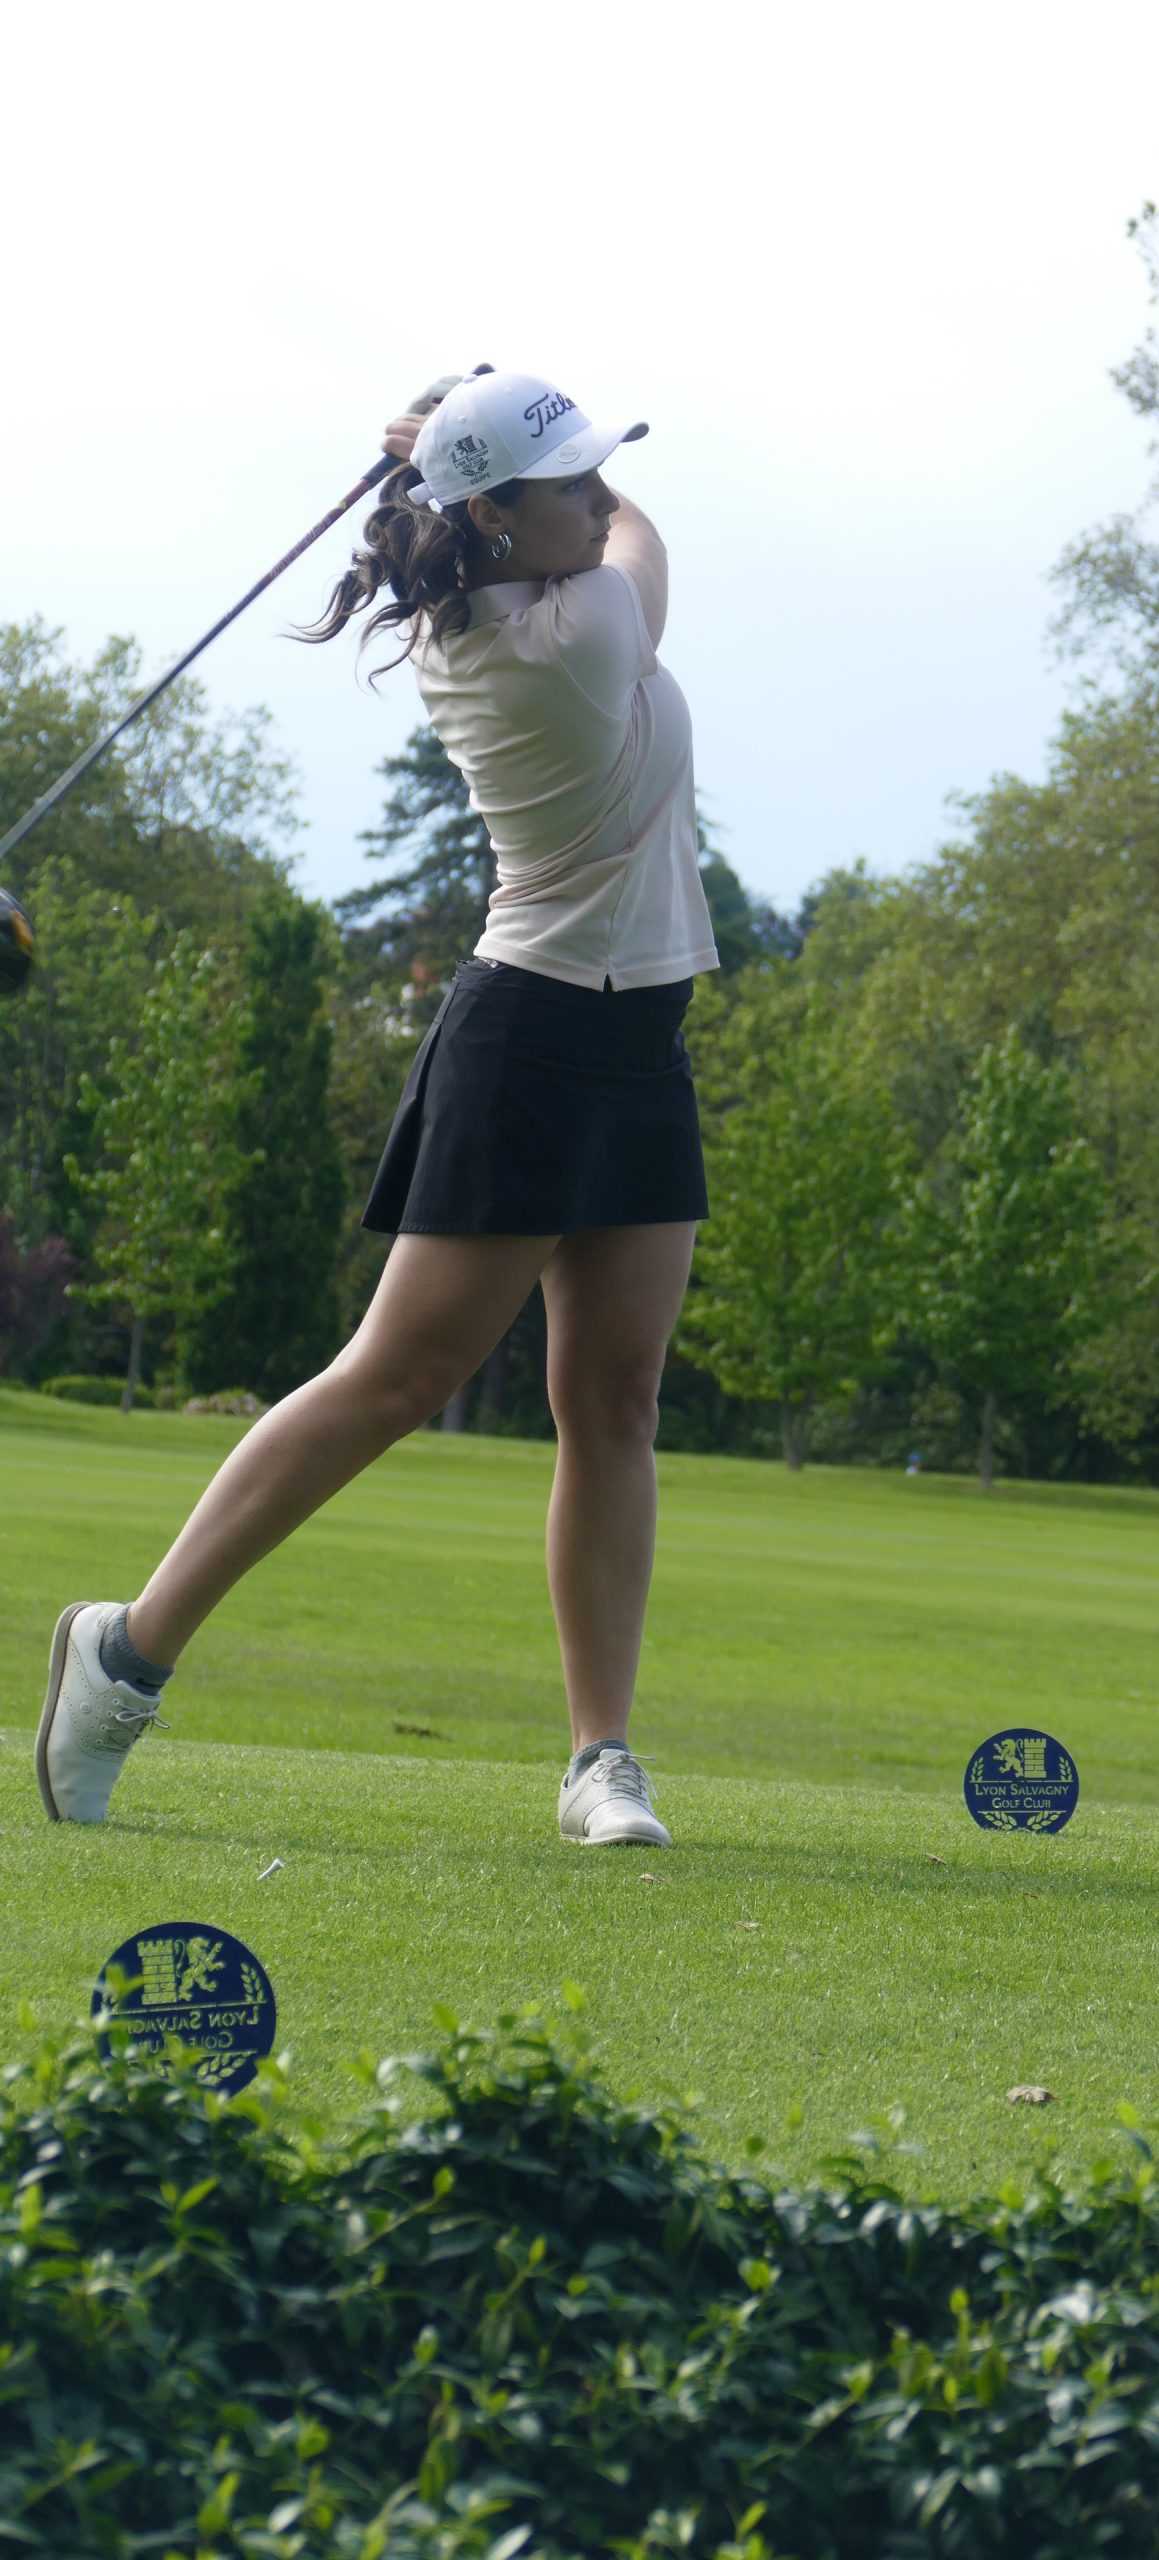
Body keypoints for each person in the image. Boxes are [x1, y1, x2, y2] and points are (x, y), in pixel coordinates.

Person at [35, 367, 721, 1850]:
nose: (595, 491)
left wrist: (455, 453)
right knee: (394, 1381)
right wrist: (453, 452)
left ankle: (602, 1759)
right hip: (530, 1039)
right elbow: (643, 541)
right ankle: (124, 1656)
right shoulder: (573, 636)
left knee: (615, 1400)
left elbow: (586, 520)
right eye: (567, 478)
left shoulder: (506, 600)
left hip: (640, 1035)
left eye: (592, 471)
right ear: (498, 518)